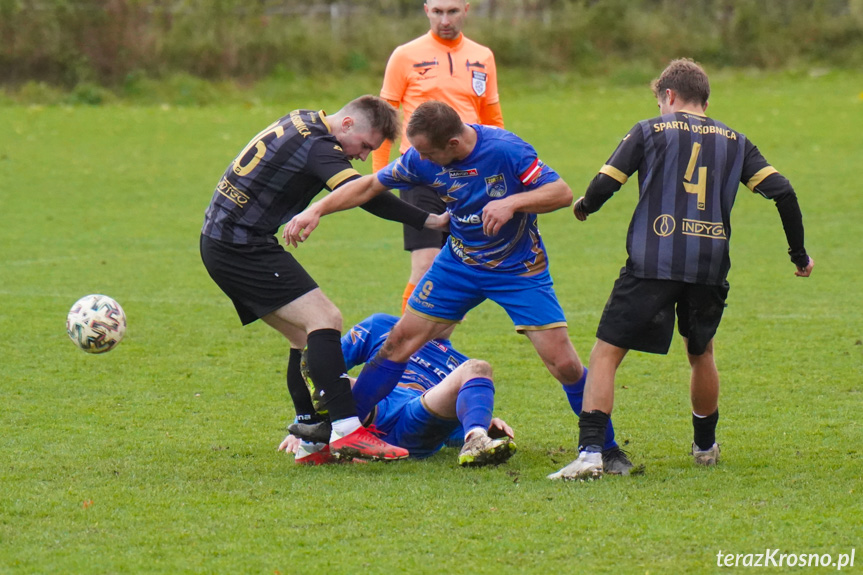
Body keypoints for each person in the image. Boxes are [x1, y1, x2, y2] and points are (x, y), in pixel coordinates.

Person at [284, 100, 633, 475]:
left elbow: (561, 193)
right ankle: (344, 429)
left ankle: (606, 449)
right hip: (459, 264)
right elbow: (369, 185)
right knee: (399, 341)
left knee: (563, 364)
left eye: (427, 152)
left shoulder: (505, 150)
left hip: (518, 269)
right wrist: (316, 210)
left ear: (452, 143)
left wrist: (512, 203)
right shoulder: (421, 158)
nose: (419, 160)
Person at [549, 58, 815, 481]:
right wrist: (798, 255)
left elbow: (605, 184)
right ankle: (705, 447)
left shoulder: (649, 130)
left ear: (668, 96)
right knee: (701, 353)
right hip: (709, 266)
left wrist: (585, 207)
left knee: (605, 354)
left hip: (651, 262)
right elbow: (784, 193)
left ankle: (590, 454)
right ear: (706, 100)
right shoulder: (737, 141)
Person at [200, 95, 449, 462]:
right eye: (365, 146)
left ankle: (311, 440)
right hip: (241, 246)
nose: (362, 156)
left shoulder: (301, 118)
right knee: (325, 319)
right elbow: (366, 195)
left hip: (221, 240)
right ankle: (348, 431)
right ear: (346, 124)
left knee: (303, 336)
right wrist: (429, 220)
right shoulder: (320, 146)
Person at [373, 0, 504, 313]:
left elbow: (492, 121)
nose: (445, 19)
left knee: (458, 269)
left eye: (452, 11)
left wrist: (500, 173)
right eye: (438, 11)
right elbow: (384, 119)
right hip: (422, 173)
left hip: (469, 177)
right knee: (425, 264)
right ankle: (405, 348)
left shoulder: (482, 56)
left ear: (466, 10)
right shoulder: (405, 55)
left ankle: (436, 346)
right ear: (426, 10)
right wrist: (379, 177)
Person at [280, 313, 517, 467]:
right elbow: (320, 370)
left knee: (478, 368)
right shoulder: (381, 326)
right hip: (369, 410)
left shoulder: (458, 363)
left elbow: (447, 433)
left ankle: (477, 441)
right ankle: (317, 437)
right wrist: (302, 421)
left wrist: (478, 423)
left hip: (417, 417)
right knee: (329, 370)